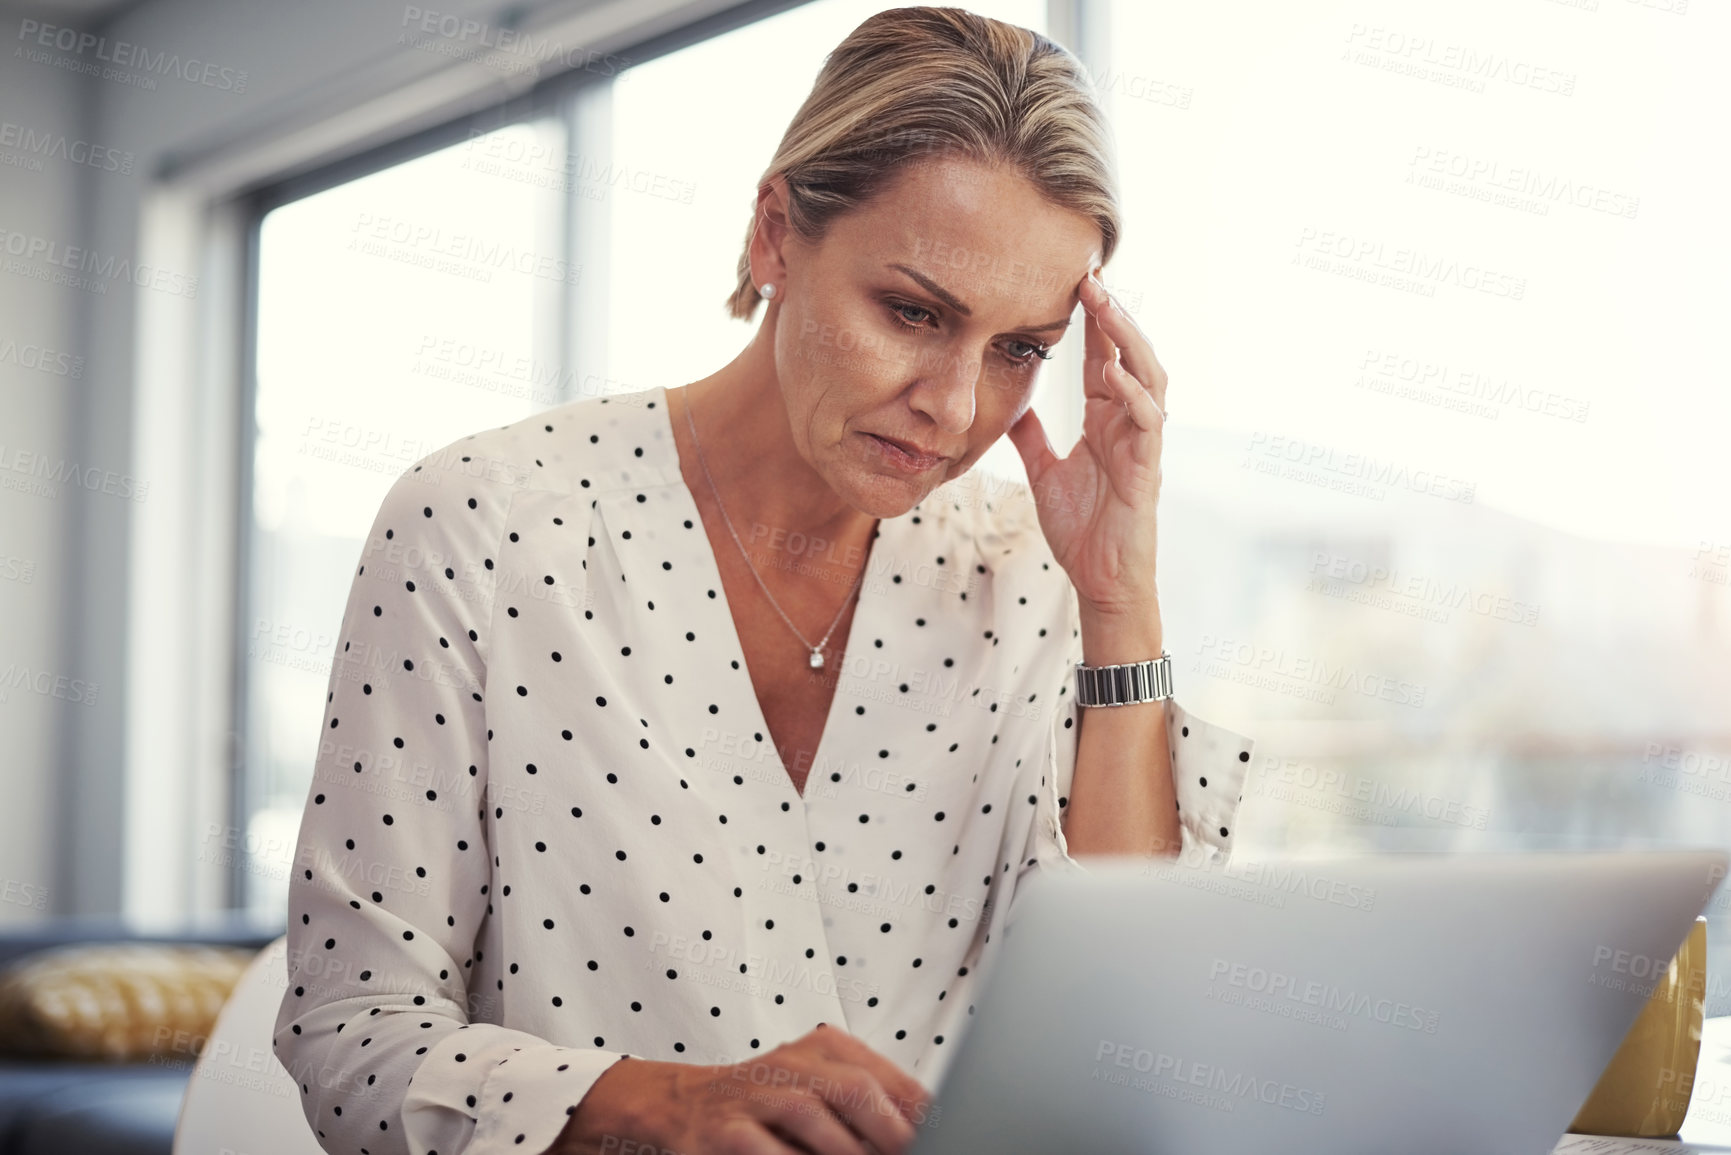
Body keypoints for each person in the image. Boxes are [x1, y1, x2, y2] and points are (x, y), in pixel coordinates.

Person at [273, 7, 1257, 1154]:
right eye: (911, 312)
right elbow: (354, 1032)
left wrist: (1117, 599)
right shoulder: (484, 527)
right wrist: (650, 1106)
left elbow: (1126, 1021)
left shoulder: (1030, 572)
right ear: (776, 236)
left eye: (1018, 349)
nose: (953, 404)